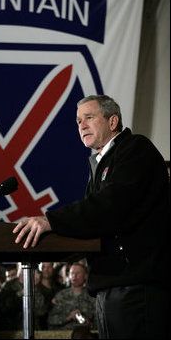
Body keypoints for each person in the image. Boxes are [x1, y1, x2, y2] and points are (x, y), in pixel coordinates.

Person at [13, 95, 170, 339]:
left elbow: (111, 206)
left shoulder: (134, 149)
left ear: (112, 121)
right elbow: (93, 222)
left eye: (89, 118)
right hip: (110, 287)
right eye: (78, 121)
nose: (81, 125)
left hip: (136, 287)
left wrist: (51, 221)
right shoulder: (99, 163)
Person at [48, 262, 96, 331]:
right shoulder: (61, 295)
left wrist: (90, 324)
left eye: (78, 273)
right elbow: (51, 320)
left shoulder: (92, 296)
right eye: (72, 273)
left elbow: (99, 320)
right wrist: (68, 317)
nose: (74, 276)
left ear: (85, 276)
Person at [36, 262, 64, 329]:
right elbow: (39, 311)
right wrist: (51, 304)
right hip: (39, 327)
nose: (46, 270)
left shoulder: (59, 288)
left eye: (49, 267)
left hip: (56, 327)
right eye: (44, 267)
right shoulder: (36, 289)